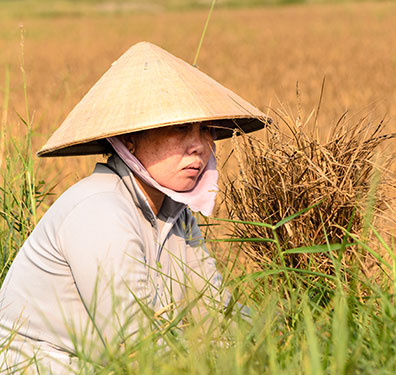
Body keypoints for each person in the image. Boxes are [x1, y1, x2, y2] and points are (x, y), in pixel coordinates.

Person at [0, 41, 270, 373]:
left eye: (205, 130)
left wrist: (271, 339)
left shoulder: (175, 214)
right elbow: (135, 345)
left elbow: (213, 310)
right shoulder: (100, 210)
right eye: (180, 127)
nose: (199, 146)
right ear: (129, 139)